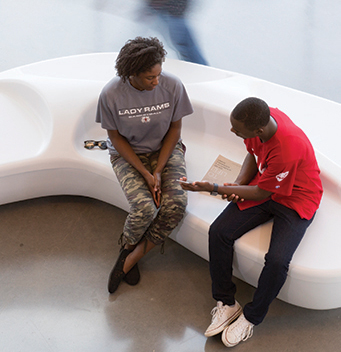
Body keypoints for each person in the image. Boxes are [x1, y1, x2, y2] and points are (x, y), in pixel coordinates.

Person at [180, 97, 323, 347]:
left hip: (296, 197)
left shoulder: (288, 148)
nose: (232, 131)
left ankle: (251, 317)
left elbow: (261, 194)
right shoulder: (262, 119)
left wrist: (213, 188)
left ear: (259, 130)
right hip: (266, 184)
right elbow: (253, 154)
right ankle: (226, 302)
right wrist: (239, 184)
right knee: (219, 232)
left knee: (278, 261)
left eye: (237, 130)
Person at [96, 36, 193, 294]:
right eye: (150, 78)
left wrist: (158, 171)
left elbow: (175, 129)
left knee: (176, 204)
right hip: (129, 156)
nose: (157, 82)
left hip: (166, 150)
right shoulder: (111, 94)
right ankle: (127, 245)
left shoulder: (173, 85)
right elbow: (114, 138)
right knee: (144, 208)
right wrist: (145, 173)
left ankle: (131, 256)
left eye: (159, 74)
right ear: (132, 74)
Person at [144, 0, 208, 65]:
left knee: (185, 48)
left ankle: (200, 69)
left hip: (172, 13)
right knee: (185, 48)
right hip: (169, 13)